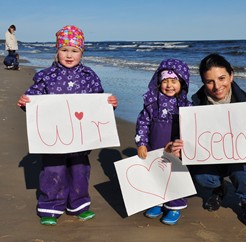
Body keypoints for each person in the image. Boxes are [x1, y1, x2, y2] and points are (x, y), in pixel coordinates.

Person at [17, 25, 118, 226]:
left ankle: (79, 205)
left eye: (74, 51)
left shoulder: (89, 76)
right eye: (64, 50)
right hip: (54, 137)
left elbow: (97, 103)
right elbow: (36, 105)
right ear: (57, 50)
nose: (69, 55)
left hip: (80, 136)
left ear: (82, 52)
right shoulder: (46, 76)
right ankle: (50, 206)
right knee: (53, 170)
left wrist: (109, 105)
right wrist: (26, 104)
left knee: (80, 170)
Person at [167, 54, 246, 227]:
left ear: (231, 75)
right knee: (203, 178)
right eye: (209, 81)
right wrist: (179, 149)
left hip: (240, 160)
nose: (217, 86)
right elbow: (184, 142)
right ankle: (218, 189)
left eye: (222, 78)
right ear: (203, 82)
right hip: (210, 159)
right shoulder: (193, 107)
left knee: (241, 173)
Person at [135, 58, 192, 225]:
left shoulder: (186, 106)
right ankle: (157, 202)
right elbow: (142, 124)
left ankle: (174, 206)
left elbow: (192, 129)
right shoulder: (151, 104)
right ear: (158, 83)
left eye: (174, 81)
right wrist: (141, 144)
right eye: (165, 81)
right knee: (155, 175)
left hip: (175, 151)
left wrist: (186, 148)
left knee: (173, 177)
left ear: (182, 83)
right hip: (154, 148)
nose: (169, 85)